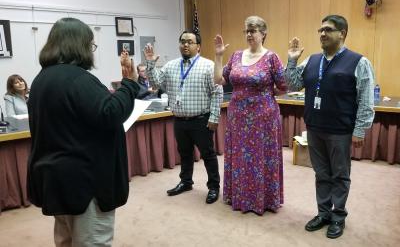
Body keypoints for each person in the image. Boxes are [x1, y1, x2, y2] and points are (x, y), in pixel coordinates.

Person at [27, 17, 140, 247]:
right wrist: (129, 83)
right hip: (86, 183)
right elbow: (110, 113)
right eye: (90, 45)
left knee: (66, 240)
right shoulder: (78, 79)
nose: (92, 51)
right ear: (78, 45)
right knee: (93, 241)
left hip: (57, 179)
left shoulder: (41, 79)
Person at [285, 15, 375, 238]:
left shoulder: (359, 62)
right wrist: (293, 60)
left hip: (340, 131)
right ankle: (323, 213)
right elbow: (293, 83)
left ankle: (338, 216)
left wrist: (359, 130)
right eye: (320, 30)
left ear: (342, 33)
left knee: (340, 176)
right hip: (315, 128)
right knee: (321, 173)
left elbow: (366, 99)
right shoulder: (312, 60)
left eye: (328, 30)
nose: (322, 34)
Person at [214, 16, 287, 215]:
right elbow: (219, 80)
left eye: (253, 30)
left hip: (263, 118)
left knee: (262, 158)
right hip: (237, 117)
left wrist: (263, 96)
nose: (249, 34)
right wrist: (219, 56)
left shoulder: (271, 57)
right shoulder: (236, 56)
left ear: (263, 33)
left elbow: (283, 87)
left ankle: (264, 200)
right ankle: (239, 196)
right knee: (240, 157)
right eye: (246, 30)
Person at [144, 30, 223, 204]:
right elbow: (156, 83)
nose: (185, 44)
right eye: (182, 41)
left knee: (208, 155)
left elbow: (217, 92)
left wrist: (214, 117)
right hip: (179, 120)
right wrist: (150, 64)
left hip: (201, 119)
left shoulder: (208, 65)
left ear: (198, 47)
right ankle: (186, 182)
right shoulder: (171, 65)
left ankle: (214, 187)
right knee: (185, 153)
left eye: (189, 42)